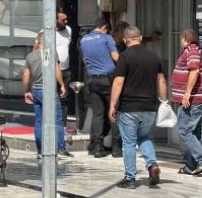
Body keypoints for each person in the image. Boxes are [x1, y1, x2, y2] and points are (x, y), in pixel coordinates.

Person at [109, 26, 166, 188]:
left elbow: (118, 82)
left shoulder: (125, 57)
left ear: (125, 40)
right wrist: (164, 102)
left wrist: (112, 105)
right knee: (144, 137)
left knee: (128, 143)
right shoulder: (154, 57)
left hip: (129, 107)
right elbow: (161, 80)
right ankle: (152, 164)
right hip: (149, 106)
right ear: (140, 38)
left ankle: (130, 178)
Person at [23, 32, 72, 159]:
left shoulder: (30, 56)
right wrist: (62, 85)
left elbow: (26, 75)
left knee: (39, 121)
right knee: (58, 120)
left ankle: (40, 150)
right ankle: (60, 149)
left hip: (36, 90)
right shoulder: (50, 53)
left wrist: (26, 91)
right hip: (49, 90)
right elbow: (56, 70)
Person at [172, 29, 202, 176]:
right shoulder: (196, 51)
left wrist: (187, 94)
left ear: (185, 39)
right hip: (196, 99)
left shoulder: (192, 51)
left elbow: (194, 71)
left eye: (181, 39)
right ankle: (191, 165)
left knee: (184, 130)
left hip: (193, 100)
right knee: (193, 132)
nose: (180, 42)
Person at [80, 18, 122, 158]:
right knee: (114, 111)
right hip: (108, 79)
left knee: (98, 114)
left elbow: (84, 60)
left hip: (92, 79)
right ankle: (116, 148)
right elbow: (116, 57)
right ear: (104, 28)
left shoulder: (84, 40)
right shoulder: (106, 38)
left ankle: (97, 147)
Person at [55, 11, 77, 132]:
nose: (66, 22)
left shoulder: (68, 30)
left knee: (64, 98)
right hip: (53, 71)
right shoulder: (47, 32)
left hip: (66, 69)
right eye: (63, 20)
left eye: (66, 19)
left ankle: (62, 125)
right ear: (56, 20)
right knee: (53, 97)